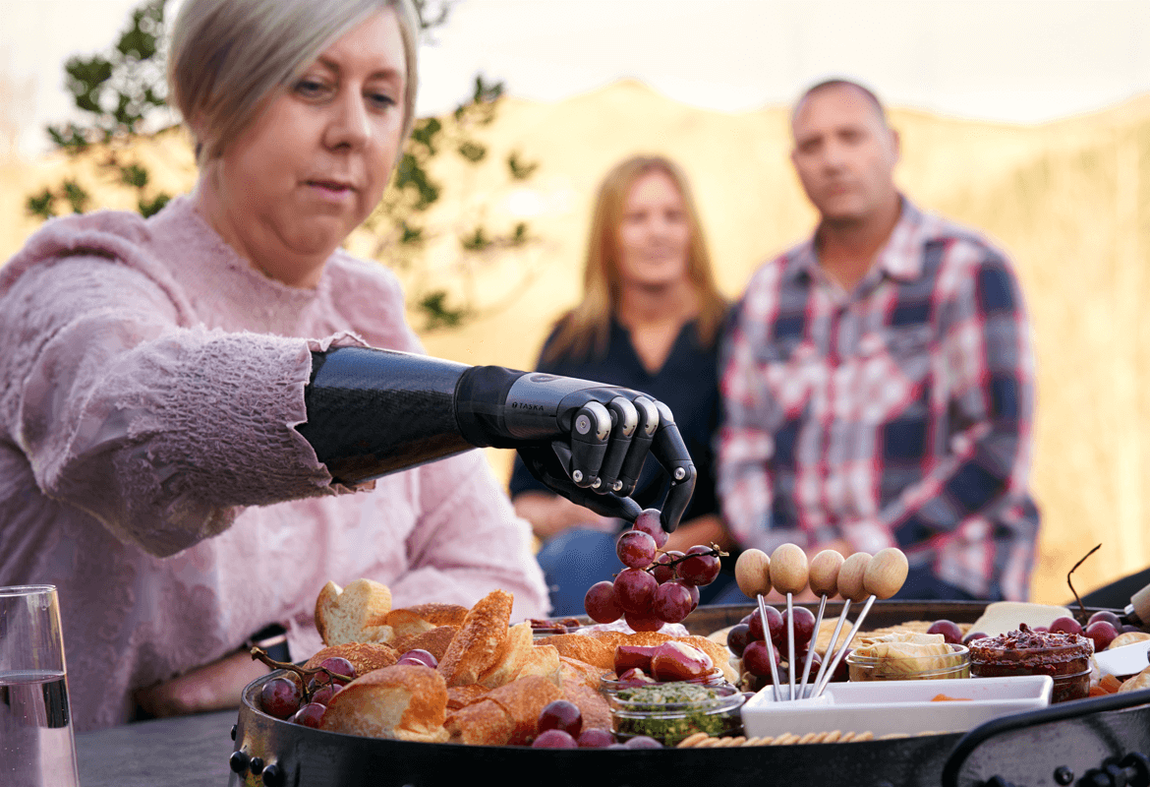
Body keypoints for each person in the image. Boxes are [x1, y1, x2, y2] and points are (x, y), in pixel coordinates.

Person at [0, 0, 694, 731]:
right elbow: (139, 419)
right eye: (310, 85)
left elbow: (497, 579)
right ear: (208, 98)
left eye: (382, 97)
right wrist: (483, 400)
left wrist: (290, 658)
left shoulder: (373, 315)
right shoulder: (76, 282)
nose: (355, 130)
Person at [718, 78, 1040, 602]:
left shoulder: (968, 270)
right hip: (795, 586)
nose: (833, 159)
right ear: (794, 163)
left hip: (941, 570)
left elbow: (996, 448)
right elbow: (742, 450)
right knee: (698, 658)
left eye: (851, 137)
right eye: (812, 145)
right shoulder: (767, 291)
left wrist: (857, 554)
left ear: (893, 144)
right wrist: (787, 565)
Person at [509, 155, 741, 614]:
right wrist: (559, 515)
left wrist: (663, 555)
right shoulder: (571, 343)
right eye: (636, 218)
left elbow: (759, 492)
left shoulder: (736, 331)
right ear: (607, 237)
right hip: (599, 568)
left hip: (711, 568)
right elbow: (522, 497)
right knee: (572, 556)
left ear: (691, 231)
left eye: (672, 216)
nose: (657, 232)